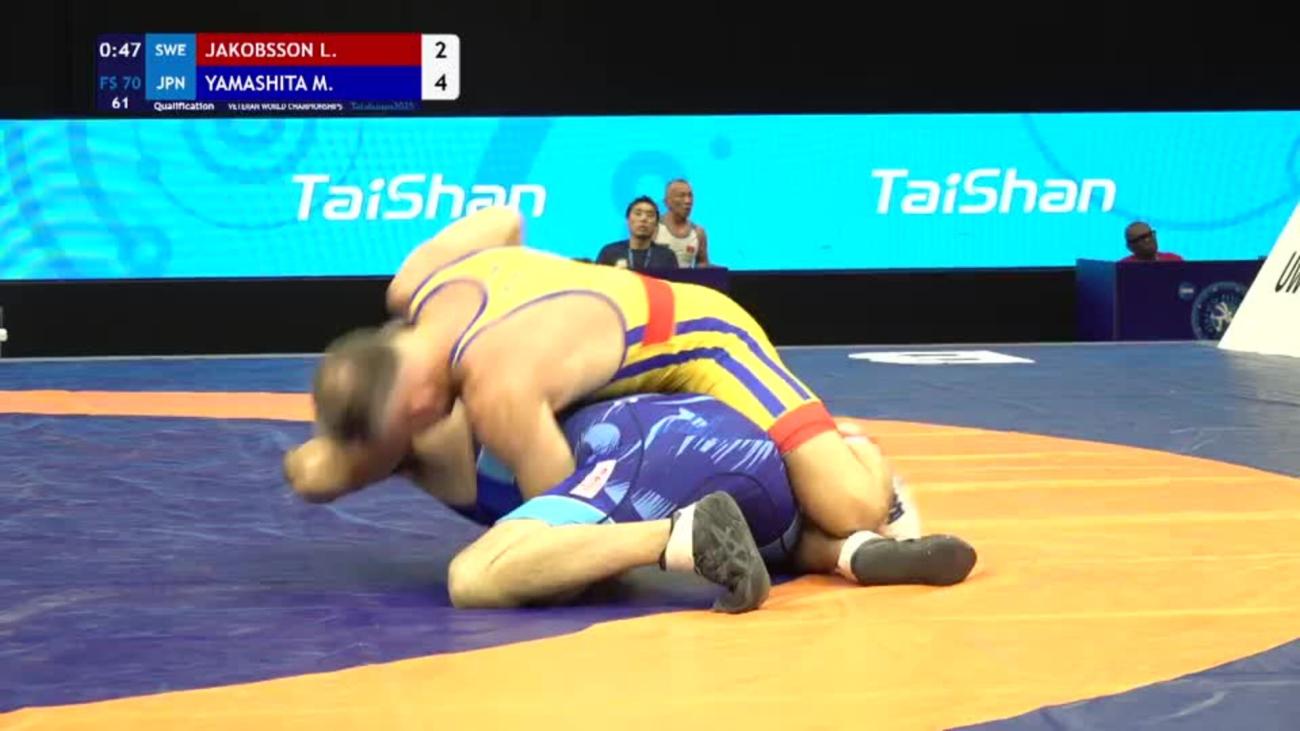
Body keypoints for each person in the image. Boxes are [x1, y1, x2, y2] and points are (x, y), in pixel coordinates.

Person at [312, 205, 899, 562]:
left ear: (417, 401)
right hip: (617, 349)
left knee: (850, 508)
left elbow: (569, 524)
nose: (425, 429)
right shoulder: (415, 281)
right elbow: (503, 219)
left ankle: (856, 449)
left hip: (706, 339)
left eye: (412, 426)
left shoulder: (501, 389)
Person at [284, 391, 977, 612]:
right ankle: (858, 552)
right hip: (745, 452)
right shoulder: (467, 401)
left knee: (475, 577)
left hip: (647, 447)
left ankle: (678, 537)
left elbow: (312, 469)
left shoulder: (460, 399)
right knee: (788, 535)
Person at [596, 196, 680, 271]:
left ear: (656, 224)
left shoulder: (666, 257)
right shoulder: (609, 252)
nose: (643, 219)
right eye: (638, 214)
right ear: (628, 220)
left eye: (650, 215)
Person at [656, 179, 711, 268]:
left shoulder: (698, 233)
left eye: (690, 196)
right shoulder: (654, 228)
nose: (688, 201)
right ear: (667, 202)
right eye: (681, 196)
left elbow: (702, 263)